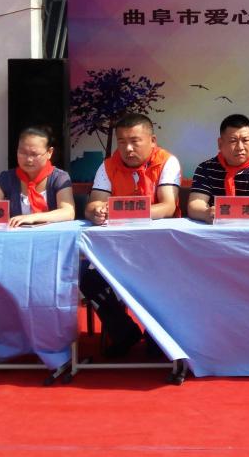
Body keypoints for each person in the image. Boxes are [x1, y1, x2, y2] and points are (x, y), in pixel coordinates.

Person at [82, 112, 181, 357]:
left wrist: (121, 212)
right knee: (86, 277)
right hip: (117, 247)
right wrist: (96, 212)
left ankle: (157, 336)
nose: (127, 149)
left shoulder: (167, 162)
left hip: (161, 247)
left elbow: (167, 207)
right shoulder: (108, 165)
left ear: (152, 141)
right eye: (122, 142)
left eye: (135, 141)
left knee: (166, 278)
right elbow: (94, 204)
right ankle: (123, 331)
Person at [0, 125, 74, 227]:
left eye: (34, 154)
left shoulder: (59, 178)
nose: (28, 159)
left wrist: (34, 217)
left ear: (49, 153)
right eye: (23, 153)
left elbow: (68, 212)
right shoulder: (7, 178)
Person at [187, 114, 249, 221]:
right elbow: (195, 205)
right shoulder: (206, 168)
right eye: (233, 141)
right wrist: (206, 213)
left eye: (245, 140)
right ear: (220, 144)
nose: (240, 147)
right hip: (216, 227)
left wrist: (231, 213)